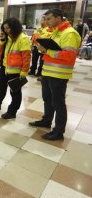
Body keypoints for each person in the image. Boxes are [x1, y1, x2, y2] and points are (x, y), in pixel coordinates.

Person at [30, 9, 81, 140]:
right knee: (47, 99)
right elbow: (52, 52)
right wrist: (43, 50)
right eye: (45, 19)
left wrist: (47, 51)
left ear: (58, 17)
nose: (46, 22)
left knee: (58, 103)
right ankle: (46, 121)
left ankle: (59, 131)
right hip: (48, 72)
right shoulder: (56, 32)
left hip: (59, 74)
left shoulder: (70, 34)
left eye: (49, 19)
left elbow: (69, 56)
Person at [0, 18, 31, 119]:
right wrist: (2, 40)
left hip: (16, 71)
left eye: (8, 28)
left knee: (15, 92)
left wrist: (24, 72)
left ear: (14, 28)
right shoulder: (8, 38)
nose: (6, 30)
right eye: (4, 28)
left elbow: (26, 57)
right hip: (5, 67)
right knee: (0, 87)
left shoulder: (23, 39)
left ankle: (12, 111)